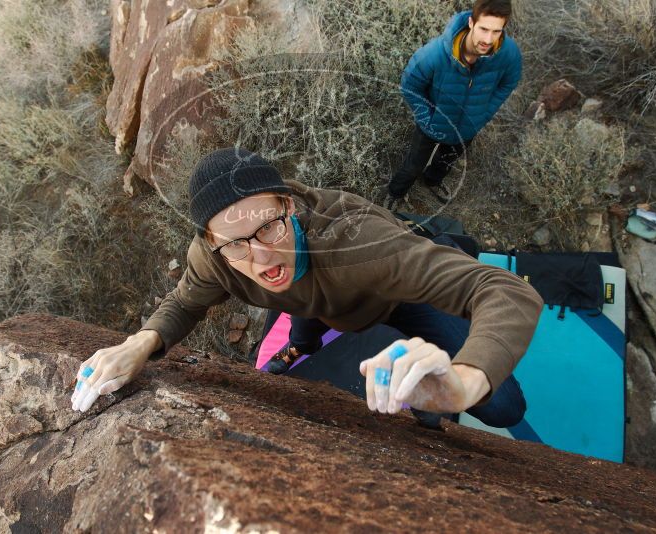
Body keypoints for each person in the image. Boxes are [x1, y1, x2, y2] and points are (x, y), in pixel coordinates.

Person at [71, 147, 542, 429]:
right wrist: (141, 342)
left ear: (290, 206)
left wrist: (464, 384)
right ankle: (300, 345)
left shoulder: (359, 244)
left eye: (269, 228)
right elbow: (184, 302)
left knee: (504, 407)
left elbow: (507, 292)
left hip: (392, 296)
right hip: (312, 301)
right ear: (212, 242)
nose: (259, 257)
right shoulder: (216, 255)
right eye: (235, 245)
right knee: (303, 327)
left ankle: (430, 406)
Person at [383, 0, 522, 210]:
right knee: (413, 165)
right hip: (432, 124)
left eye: (496, 31)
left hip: (467, 126)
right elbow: (410, 85)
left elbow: (508, 83)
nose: (488, 39)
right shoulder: (435, 54)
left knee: (446, 161)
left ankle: (432, 181)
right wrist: (426, 118)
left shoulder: (509, 54)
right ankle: (396, 192)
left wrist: (483, 114)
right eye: (484, 29)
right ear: (471, 22)